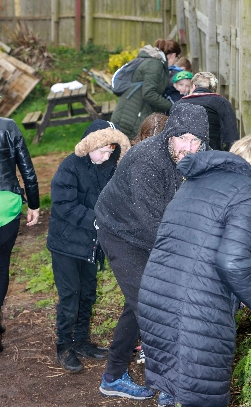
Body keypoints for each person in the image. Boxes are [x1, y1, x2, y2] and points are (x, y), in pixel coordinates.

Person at [137, 134, 251, 407]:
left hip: (158, 299)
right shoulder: (249, 191)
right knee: (203, 396)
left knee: (184, 393)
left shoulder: (197, 180)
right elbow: (232, 262)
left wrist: (245, 296)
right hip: (195, 312)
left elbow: (196, 248)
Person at [94, 103, 209, 401]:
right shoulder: (147, 161)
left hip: (154, 230)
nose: (188, 147)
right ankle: (170, 390)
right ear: (170, 135)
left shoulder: (199, 157)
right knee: (154, 306)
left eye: (195, 140)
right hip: (122, 233)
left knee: (138, 303)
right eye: (182, 138)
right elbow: (154, 226)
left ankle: (113, 376)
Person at [47, 119, 131, 373]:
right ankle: (64, 346)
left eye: (110, 152)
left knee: (87, 293)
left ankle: (81, 340)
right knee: (70, 294)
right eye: (101, 151)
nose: (105, 156)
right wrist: (97, 220)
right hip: (65, 243)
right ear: (89, 145)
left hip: (91, 245)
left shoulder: (111, 168)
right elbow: (64, 205)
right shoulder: (70, 167)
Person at [0, 78, 40, 358]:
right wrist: (34, 204)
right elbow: (27, 169)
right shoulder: (9, 126)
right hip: (5, 207)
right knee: (0, 264)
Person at [110, 43, 174, 140]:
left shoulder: (151, 62)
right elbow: (148, 93)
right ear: (173, 55)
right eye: (177, 58)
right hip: (132, 116)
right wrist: (172, 106)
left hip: (131, 111)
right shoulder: (154, 65)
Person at [177, 71, 240, 151]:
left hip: (184, 152)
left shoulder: (178, 104)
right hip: (212, 153)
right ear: (214, 89)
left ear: (193, 86)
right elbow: (232, 137)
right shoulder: (222, 103)